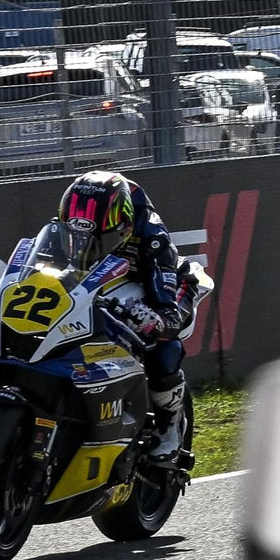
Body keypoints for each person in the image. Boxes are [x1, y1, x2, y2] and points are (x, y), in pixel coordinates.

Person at [56, 170, 199, 461]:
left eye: (99, 239)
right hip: (106, 281)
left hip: (161, 285)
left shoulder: (151, 237)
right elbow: (43, 267)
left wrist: (158, 318)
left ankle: (170, 425)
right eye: (78, 237)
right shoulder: (67, 228)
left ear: (123, 227)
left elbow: (167, 305)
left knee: (161, 342)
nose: (86, 246)